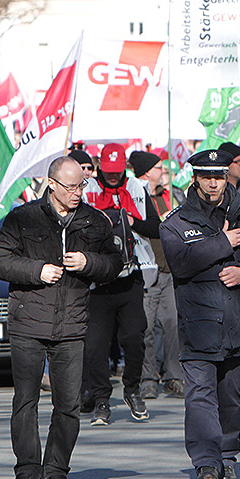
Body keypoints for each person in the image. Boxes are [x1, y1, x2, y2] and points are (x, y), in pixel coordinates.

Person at [0, 156, 122, 479]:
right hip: (28, 323)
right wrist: (37, 270)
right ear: (51, 184)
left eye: (81, 185)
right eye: (70, 186)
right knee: (26, 401)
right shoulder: (23, 218)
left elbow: (115, 264)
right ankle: (27, 473)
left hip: (71, 325)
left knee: (68, 405)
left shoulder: (94, 221)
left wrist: (89, 262)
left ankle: (57, 473)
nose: (77, 192)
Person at [160, 149, 240, 479]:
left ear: (227, 177)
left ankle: (227, 458)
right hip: (199, 325)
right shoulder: (176, 222)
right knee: (200, 397)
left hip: (238, 324)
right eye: (206, 176)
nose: (213, 183)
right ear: (195, 179)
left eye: (219, 176)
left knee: (230, 398)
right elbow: (179, 263)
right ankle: (206, 464)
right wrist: (222, 242)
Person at [81, 143, 156, 426]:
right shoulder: (86, 189)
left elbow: (156, 227)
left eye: (117, 171)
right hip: (98, 281)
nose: (113, 176)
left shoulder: (137, 188)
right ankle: (101, 399)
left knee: (135, 337)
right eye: (108, 171)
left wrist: (131, 220)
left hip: (130, 277)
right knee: (96, 346)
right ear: (99, 167)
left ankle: (132, 389)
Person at [129, 150, 185, 401]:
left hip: (170, 270)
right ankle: (148, 379)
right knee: (147, 327)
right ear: (146, 172)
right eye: (158, 167)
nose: (163, 171)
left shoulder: (170, 195)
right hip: (146, 270)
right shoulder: (135, 195)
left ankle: (174, 376)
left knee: (173, 325)